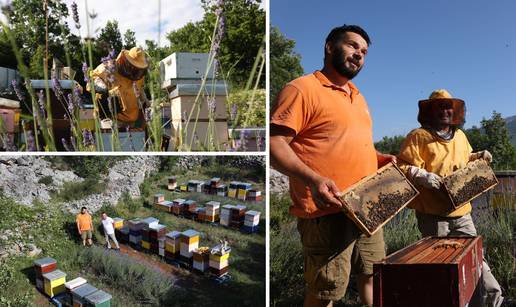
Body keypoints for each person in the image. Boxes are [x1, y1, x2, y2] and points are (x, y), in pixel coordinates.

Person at [270, 24, 395, 307]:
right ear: (329, 47)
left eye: (363, 52)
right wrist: (314, 180)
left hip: (367, 207)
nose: (359, 55)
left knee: (373, 275)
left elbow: (348, 145)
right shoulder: (302, 89)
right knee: (325, 291)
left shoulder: (358, 97)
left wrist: (379, 158)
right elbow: (275, 146)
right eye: (352, 46)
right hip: (326, 211)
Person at [397, 89, 503, 307]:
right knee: (441, 267)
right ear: (430, 110)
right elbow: (402, 166)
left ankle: (492, 301)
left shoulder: (461, 136)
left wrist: (478, 156)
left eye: (449, 107)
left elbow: (464, 158)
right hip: (434, 217)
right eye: (440, 106)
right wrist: (421, 174)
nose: (445, 110)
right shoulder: (418, 136)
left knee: (475, 260)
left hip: (462, 213)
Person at [88, 47, 149, 126]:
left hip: (132, 122)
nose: (136, 72)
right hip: (109, 121)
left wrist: (145, 100)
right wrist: (102, 88)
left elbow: (140, 90)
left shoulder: (138, 76)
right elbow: (91, 80)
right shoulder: (107, 68)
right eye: (134, 68)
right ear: (126, 62)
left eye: (139, 69)